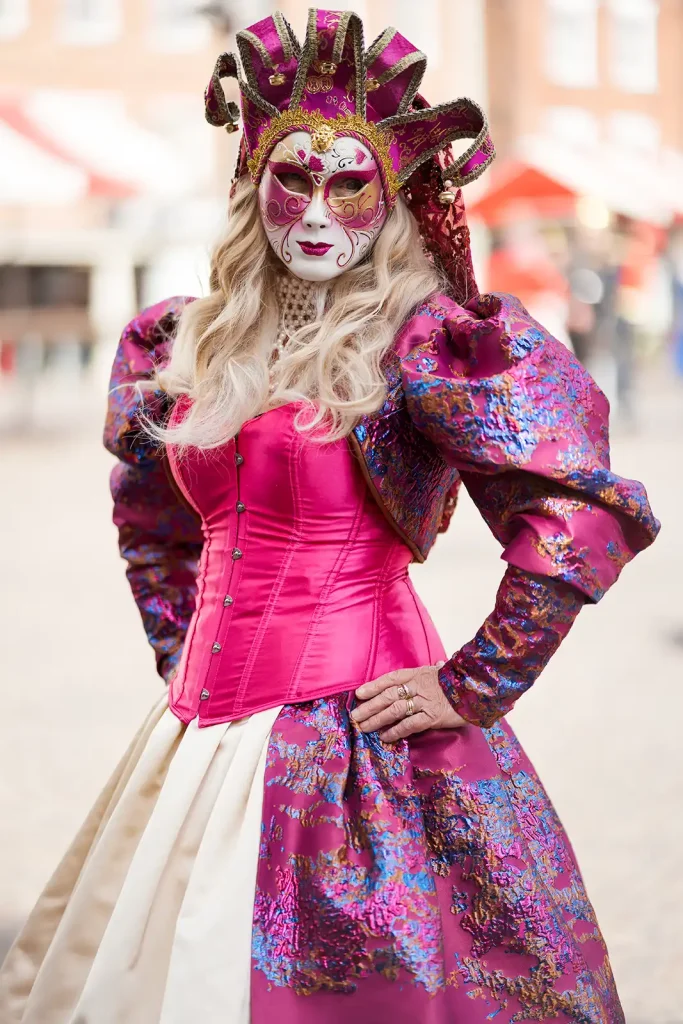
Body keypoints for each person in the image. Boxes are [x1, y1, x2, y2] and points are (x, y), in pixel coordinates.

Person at [0, 10, 659, 1023]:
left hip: (358, 748)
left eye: (348, 181)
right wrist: (181, 647)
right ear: (252, 183)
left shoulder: (427, 343)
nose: (315, 208)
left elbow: (576, 505)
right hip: (197, 741)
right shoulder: (189, 341)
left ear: (392, 197)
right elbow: (150, 512)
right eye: (292, 178)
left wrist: (474, 680)